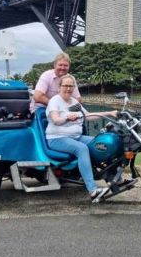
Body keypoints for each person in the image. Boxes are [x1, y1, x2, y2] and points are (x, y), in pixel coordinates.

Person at [45, 74, 117, 202]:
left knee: (101, 143)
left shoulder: (74, 102)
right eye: (65, 86)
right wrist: (67, 117)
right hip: (57, 138)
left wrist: (109, 113)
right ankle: (92, 190)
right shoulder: (54, 101)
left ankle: (115, 181)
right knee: (82, 149)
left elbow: (88, 116)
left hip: (76, 137)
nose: (68, 88)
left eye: (71, 86)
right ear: (59, 87)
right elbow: (55, 120)